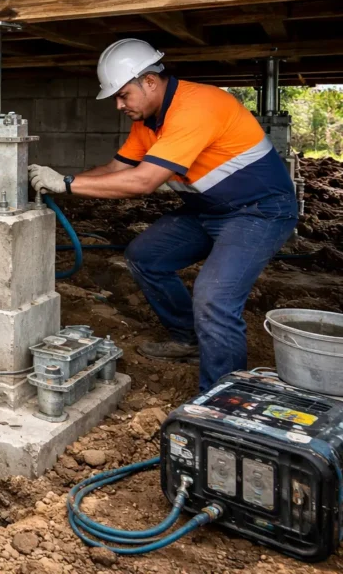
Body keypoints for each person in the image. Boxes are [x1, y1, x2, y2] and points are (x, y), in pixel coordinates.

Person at [28, 39, 297, 391]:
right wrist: (54, 180)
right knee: (146, 257)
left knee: (214, 297)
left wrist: (66, 184)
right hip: (209, 209)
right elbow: (115, 168)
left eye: (123, 95)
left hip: (259, 211)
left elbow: (143, 181)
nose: (119, 105)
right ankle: (188, 338)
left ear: (150, 82)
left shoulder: (197, 107)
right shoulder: (149, 120)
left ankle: (220, 399)